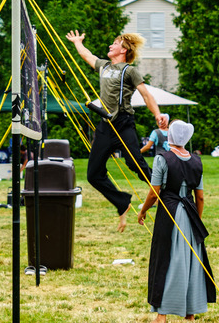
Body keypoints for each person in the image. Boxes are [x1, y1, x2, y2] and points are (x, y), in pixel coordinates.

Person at [66, 30, 168, 231]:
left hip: (123, 123)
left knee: (134, 162)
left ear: (123, 50)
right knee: (93, 175)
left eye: (115, 43)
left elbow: (146, 95)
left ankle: (161, 191)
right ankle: (122, 202)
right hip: (105, 125)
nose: (111, 45)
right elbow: (86, 55)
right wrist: (77, 42)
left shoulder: (129, 71)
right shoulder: (104, 66)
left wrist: (157, 114)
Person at [137, 120, 215, 323]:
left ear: (170, 136)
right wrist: (196, 218)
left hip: (169, 212)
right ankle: (190, 313)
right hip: (190, 213)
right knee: (191, 260)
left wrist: (143, 210)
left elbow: (154, 193)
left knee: (166, 259)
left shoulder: (162, 158)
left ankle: (161, 316)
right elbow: (200, 197)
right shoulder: (196, 161)